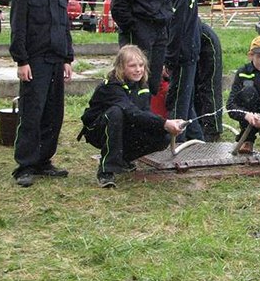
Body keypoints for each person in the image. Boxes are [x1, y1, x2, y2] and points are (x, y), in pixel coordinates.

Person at [9, 0, 74, 187]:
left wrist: (68, 57)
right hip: (34, 60)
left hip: (57, 58)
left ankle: (44, 160)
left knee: (53, 113)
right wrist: (21, 60)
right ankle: (25, 165)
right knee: (32, 112)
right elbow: (18, 23)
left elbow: (64, 23)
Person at [79, 45, 185, 188]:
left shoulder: (142, 85)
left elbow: (144, 114)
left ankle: (123, 159)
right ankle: (106, 171)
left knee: (163, 136)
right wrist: (165, 122)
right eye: (132, 66)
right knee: (116, 113)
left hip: (124, 125)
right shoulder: (111, 86)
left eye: (141, 65)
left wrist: (165, 126)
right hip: (99, 130)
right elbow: (131, 112)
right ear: (121, 68)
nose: (138, 69)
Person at [164, 0, 203, 142]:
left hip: (184, 56)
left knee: (179, 103)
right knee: (185, 103)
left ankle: (178, 145)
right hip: (181, 55)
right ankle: (198, 140)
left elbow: (177, 31)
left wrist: (168, 60)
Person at [194, 23, 224, 142]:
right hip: (188, 42)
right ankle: (197, 125)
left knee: (209, 86)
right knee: (192, 86)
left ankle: (213, 129)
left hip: (204, 40)